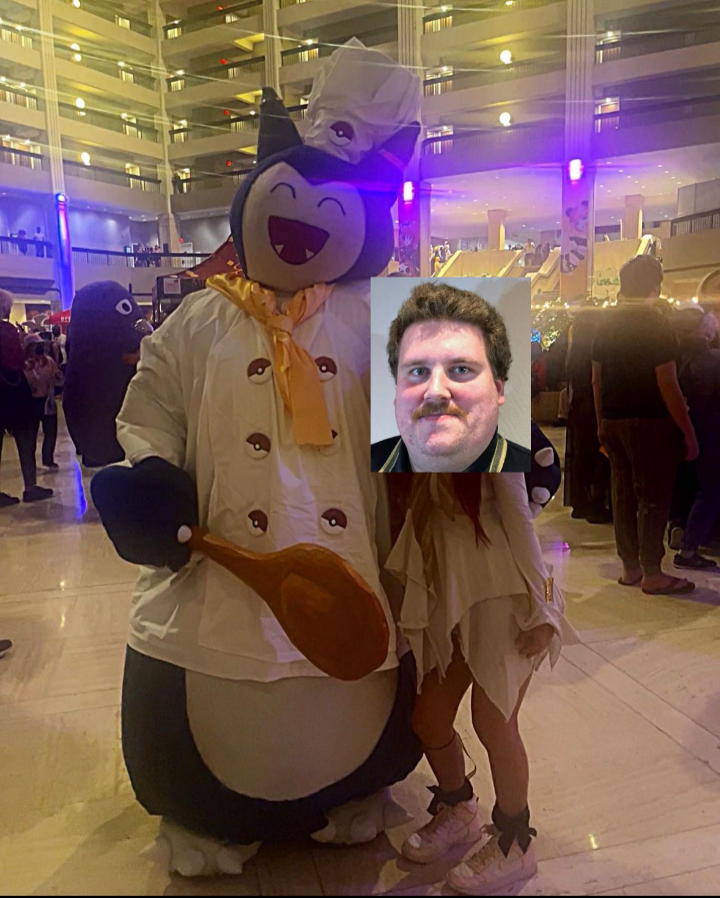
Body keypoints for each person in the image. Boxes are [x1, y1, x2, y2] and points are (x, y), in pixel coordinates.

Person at [384, 470, 577, 895]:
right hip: (448, 592)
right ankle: (459, 807)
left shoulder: (487, 425)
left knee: (493, 722)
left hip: (504, 595)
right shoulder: (401, 428)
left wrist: (546, 605)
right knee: (429, 718)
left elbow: (520, 517)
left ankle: (515, 842)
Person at [592, 255, 698, 595]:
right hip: (650, 420)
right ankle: (653, 572)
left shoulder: (605, 325)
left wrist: (601, 423)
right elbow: (667, 382)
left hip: (612, 419)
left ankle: (631, 567)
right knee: (653, 495)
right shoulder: (656, 325)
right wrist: (688, 430)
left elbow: (596, 380)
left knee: (622, 494)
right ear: (655, 286)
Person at [371, 282, 531, 472]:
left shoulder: (535, 477)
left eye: (461, 369)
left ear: (498, 390)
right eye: (418, 371)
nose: (435, 391)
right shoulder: (358, 467)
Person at [672, 304, 720, 569]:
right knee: (711, 489)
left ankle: (684, 537)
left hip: (687, 432)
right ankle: (689, 549)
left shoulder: (674, 359)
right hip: (712, 433)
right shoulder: (713, 360)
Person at [0, 289, 53, 504]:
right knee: (25, 436)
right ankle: (30, 486)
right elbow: (15, 360)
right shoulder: (7, 330)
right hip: (12, 389)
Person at [564, 310, 611, 522]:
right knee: (600, 454)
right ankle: (596, 504)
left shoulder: (574, 352)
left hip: (578, 406)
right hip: (594, 405)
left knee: (581, 455)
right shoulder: (596, 349)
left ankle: (579, 502)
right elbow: (597, 381)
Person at [23, 337, 63, 469]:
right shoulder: (24, 364)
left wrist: (58, 377)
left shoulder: (48, 361)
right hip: (30, 403)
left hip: (47, 401)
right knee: (31, 435)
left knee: (50, 432)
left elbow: (58, 378)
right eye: (35, 345)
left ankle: (48, 459)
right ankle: (29, 462)